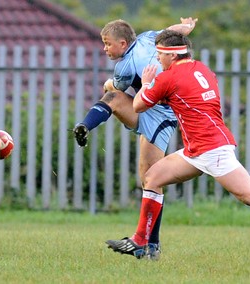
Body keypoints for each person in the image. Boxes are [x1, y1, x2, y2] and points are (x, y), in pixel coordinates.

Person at [106, 29, 250, 267]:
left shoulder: (167, 77)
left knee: (249, 195)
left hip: (211, 149)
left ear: (173, 56)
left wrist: (145, 84)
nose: (157, 59)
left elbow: (137, 105)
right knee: (152, 177)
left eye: (160, 55)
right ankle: (141, 241)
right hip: (198, 148)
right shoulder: (201, 68)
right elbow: (189, 96)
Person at [73, 17, 198, 259]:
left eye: (107, 44)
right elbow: (171, 31)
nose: (105, 48)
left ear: (122, 43)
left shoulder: (124, 65)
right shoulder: (149, 36)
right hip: (146, 106)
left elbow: (115, 84)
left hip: (161, 114)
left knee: (151, 178)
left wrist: (109, 82)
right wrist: (187, 27)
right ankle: (84, 126)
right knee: (115, 100)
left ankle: (152, 245)